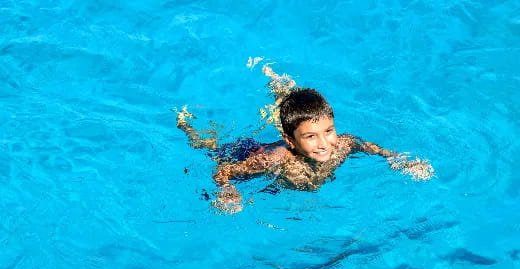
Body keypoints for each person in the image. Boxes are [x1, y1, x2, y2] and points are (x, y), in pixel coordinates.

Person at [176, 65, 433, 213]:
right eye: (311, 137)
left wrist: (399, 160)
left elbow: (370, 148)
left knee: (295, 115)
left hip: (287, 150)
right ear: (290, 141)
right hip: (248, 151)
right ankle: (186, 123)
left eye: (328, 131)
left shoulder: (343, 144)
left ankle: (282, 90)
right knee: (208, 147)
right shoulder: (272, 159)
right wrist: (228, 190)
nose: (323, 143)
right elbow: (223, 171)